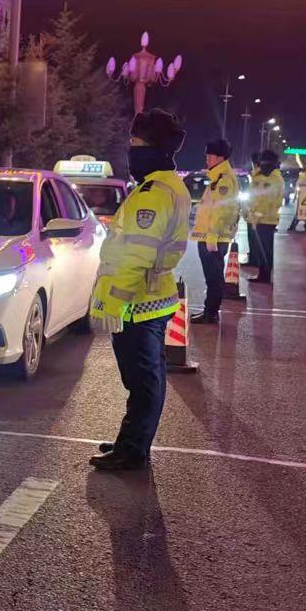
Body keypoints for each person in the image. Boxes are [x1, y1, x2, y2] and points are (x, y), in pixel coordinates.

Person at [89, 109, 191, 471]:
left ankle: (133, 450)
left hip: (138, 301)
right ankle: (132, 440)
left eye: (135, 142)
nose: (130, 150)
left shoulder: (154, 193)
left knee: (143, 380)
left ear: (153, 148)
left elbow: (135, 255)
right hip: (151, 297)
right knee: (147, 378)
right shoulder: (166, 186)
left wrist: (112, 304)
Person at [190, 139, 239, 324]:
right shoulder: (218, 177)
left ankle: (210, 313)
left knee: (213, 278)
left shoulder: (223, 179)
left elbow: (221, 211)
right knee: (212, 276)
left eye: (209, 156)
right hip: (212, 236)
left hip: (213, 238)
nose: (207, 159)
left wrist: (212, 238)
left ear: (219, 158)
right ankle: (210, 311)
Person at [247, 149, 285, 284]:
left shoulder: (275, 179)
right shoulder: (260, 176)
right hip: (258, 219)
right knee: (261, 248)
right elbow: (253, 195)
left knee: (265, 250)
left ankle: (265, 276)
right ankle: (262, 274)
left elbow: (270, 200)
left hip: (267, 220)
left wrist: (258, 214)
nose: (262, 165)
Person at [244, 152, 261, 268]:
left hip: (256, 214)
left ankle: (255, 260)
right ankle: (254, 259)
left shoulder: (259, 176)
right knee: (253, 239)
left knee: (254, 239)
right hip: (254, 213)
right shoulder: (256, 175)